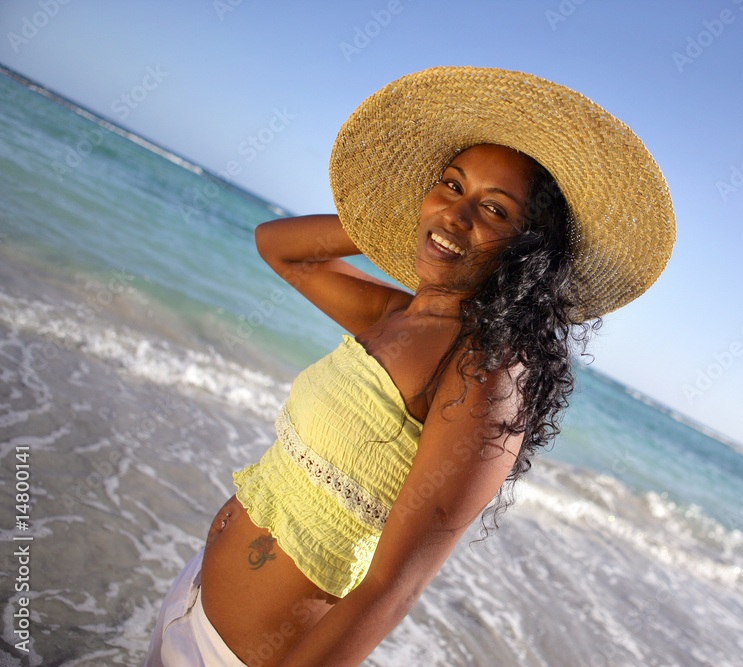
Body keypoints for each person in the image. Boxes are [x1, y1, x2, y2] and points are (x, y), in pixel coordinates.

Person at [144, 66, 675, 666]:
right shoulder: (397, 314)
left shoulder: (486, 373)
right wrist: (407, 217)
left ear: (530, 251)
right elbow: (279, 246)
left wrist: (439, 217)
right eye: (451, 184)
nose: (459, 213)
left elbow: (392, 589)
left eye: (495, 211)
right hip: (189, 601)